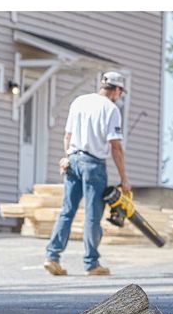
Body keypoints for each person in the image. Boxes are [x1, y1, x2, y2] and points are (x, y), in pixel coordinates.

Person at [44, 70, 132, 277]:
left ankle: (52, 257)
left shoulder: (79, 102)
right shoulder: (111, 109)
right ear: (117, 89)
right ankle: (92, 264)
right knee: (93, 215)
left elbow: (68, 135)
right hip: (93, 164)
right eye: (120, 92)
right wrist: (124, 179)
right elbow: (115, 147)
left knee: (67, 211)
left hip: (72, 160)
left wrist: (67, 156)